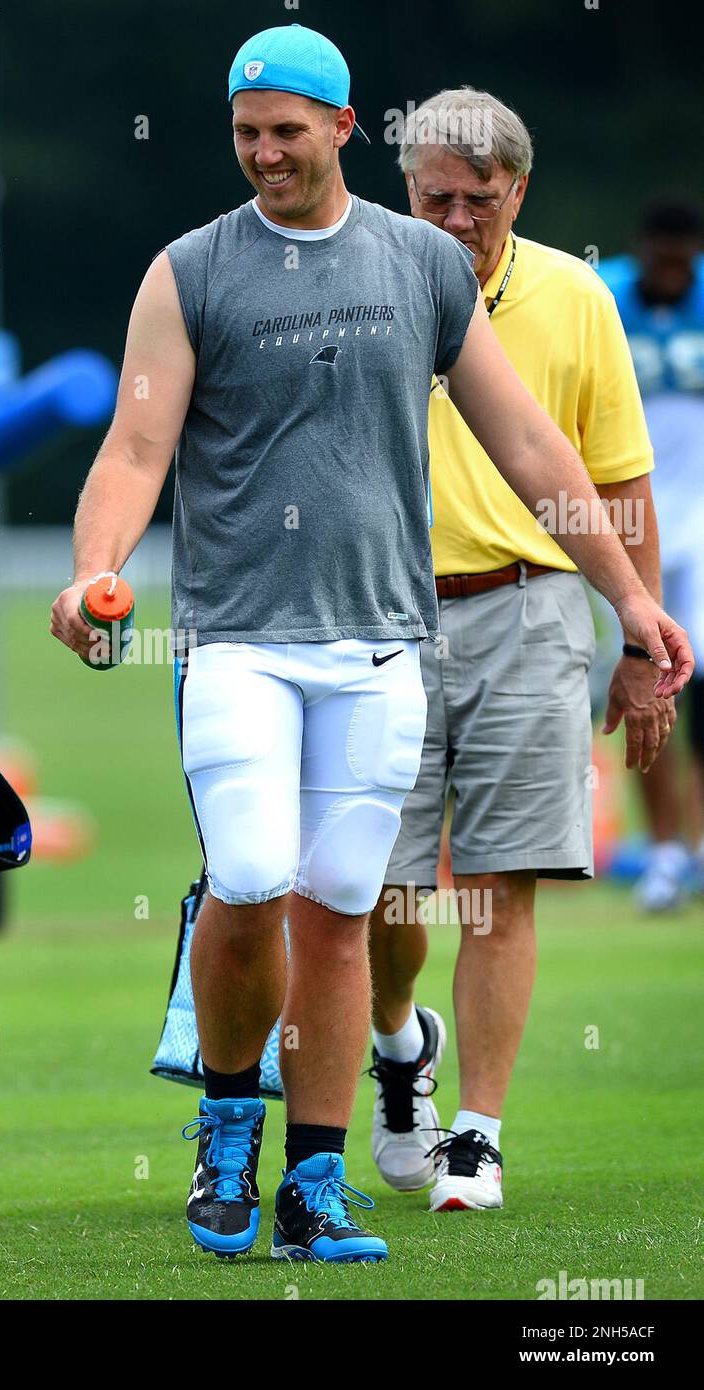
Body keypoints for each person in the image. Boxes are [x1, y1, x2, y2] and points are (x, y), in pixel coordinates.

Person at [50, 26, 692, 1264]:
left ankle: (314, 1181)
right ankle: (228, 1127)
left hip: (381, 644)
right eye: (245, 133)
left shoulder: (420, 265)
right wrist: (94, 570)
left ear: (343, 128)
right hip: (239, 636)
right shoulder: (188, 270)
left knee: (343, 908)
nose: (263, 154)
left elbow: (532, 447)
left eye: (286, 131)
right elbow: (134, 450)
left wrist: (627, 595)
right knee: (248, 882)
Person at [368, 88, 672, 1214]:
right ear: (405, 190)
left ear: (519, 193)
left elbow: (619, 474)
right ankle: (401, 1050)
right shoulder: (358, 279)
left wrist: (636, 633)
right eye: (435, 197)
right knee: (381, 898)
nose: (455, 219)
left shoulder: (576, 294)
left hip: (531, 604)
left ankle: (477, 1137)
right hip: (378, 617)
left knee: (501, 885)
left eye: (479, 201)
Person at [599, 200, 704, 911]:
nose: (670, 272)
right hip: (630, 528)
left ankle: (692, 844)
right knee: (645, 685)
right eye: (659, 257)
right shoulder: (603, 297)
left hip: (702, 523)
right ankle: (664, 849)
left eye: (681, 258)